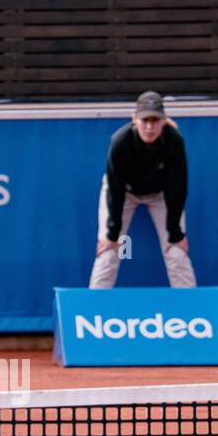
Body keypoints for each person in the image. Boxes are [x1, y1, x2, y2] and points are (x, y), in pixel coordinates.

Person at [88, 91, 196, 289]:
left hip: (161, 196)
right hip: (123, 194)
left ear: (164, 121)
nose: (149, 126)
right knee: (109, 251)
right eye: (145, 120)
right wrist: (113, 233)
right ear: (134, 120)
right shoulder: (120, 141)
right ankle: (93, 312)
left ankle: (191, 312)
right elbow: (115, 189)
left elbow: (178, 187)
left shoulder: (175, 141)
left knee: (176, 252)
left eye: (155, 120)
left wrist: (175, 232)